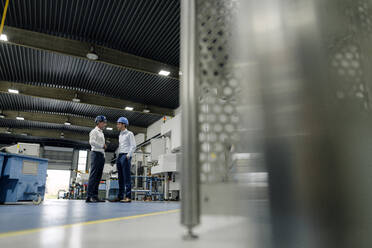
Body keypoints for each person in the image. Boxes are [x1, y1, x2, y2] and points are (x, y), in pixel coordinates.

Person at [114, 117, 136, 203]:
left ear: (123, 124)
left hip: (126, 156)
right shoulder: (120, 135)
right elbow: (120, 146)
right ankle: (120, 196)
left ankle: (128, 197)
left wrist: (128, 155)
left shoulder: (129, 134)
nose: (117, 125)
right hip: (120, 156)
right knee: (120, 178)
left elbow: (133, 145)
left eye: (118, 123)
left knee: (127, 177)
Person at [86, 115, 107, 203]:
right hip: (95, 154)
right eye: (103, 122)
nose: (105, 124)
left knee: (98, 177)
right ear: (99, 122)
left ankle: (95, 196)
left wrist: (103, 155)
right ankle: (89, 196)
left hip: (101, 155)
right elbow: (91, 142)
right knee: (94, 175)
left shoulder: (101, 132)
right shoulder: (94, 131)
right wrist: (102, 145)